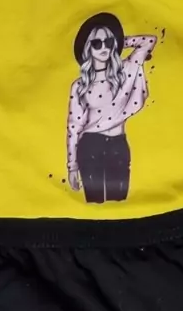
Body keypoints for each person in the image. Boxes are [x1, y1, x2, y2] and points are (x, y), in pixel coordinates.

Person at [66, 12, 157, 203]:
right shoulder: (80, 85)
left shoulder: (125, 71)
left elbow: (149, 41)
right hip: (90, 146)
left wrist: (118, 41)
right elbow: (74, 127)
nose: (104, 47)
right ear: (87, 48)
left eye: (107, 42)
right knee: (94, 205)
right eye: (96, 43)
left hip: (118, 144)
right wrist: (72, 166)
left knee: (120, 204)